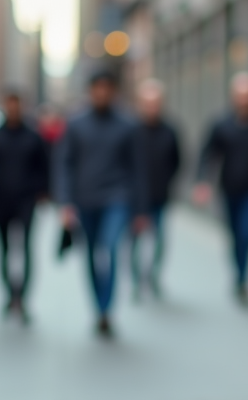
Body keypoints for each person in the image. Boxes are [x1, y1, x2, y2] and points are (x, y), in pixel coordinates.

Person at [56, 69, 146, 338]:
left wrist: (140, 210)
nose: (102, 93)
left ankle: (107, 309)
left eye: (107, 88)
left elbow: (138, 169)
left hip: (117, 197)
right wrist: (65, 203)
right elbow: (65, 164)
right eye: (98, 88)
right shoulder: (76, 124)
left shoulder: (128, 125)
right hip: (85, 199)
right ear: (91, 91)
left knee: (108, 250)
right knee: (93, 255)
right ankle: (98, 308)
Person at [193, 72, 248, 302]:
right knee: (235, 235)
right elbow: (208, 153)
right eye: (241, 95)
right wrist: (202, 182)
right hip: (229, 190)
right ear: (233, 97)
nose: (245, 100)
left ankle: (243, 277)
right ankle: (239, 273)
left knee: (247, 233)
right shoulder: (221, 124)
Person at [0, 89, 50, 322]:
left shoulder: (33, 136)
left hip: (26, 200)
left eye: (16, 104)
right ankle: (9, 294)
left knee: (25, 248)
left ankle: (23, 297)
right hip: (2, 199)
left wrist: (43, 192)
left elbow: (44, 167)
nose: (13, 109)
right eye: (9, 104)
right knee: (4, 250)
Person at [131, 79, 180, 299]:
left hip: (159, 196)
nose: (152, 107)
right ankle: (136, 280)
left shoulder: (170, 131)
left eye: (156, 103)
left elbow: (178, 160)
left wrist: (167, 181)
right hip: (134, 199)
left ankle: (153, 276)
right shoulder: (131, 131)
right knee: (133, 242)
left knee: (159, 240)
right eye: (147, 103)